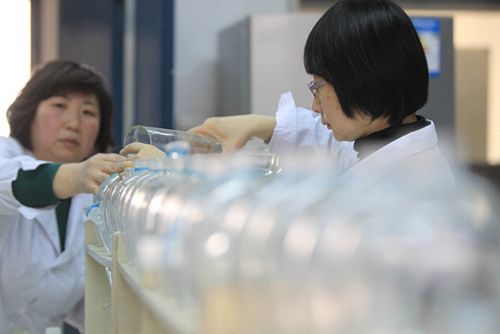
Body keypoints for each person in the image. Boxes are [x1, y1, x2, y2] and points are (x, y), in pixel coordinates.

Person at [187, 0, 454, 187]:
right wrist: (263, 125)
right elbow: (331, 144)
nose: (315, 106)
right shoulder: (381, 143)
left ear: (360, 82)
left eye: (319, 87)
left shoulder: (405, 189)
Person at [0, 60, 124, 333]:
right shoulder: (4, 155)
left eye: (88, 112)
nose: (74, 123)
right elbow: (13, 182)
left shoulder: (94, 203)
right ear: (30, 113)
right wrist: (75, 177)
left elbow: (91, 306)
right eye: (59, 106)